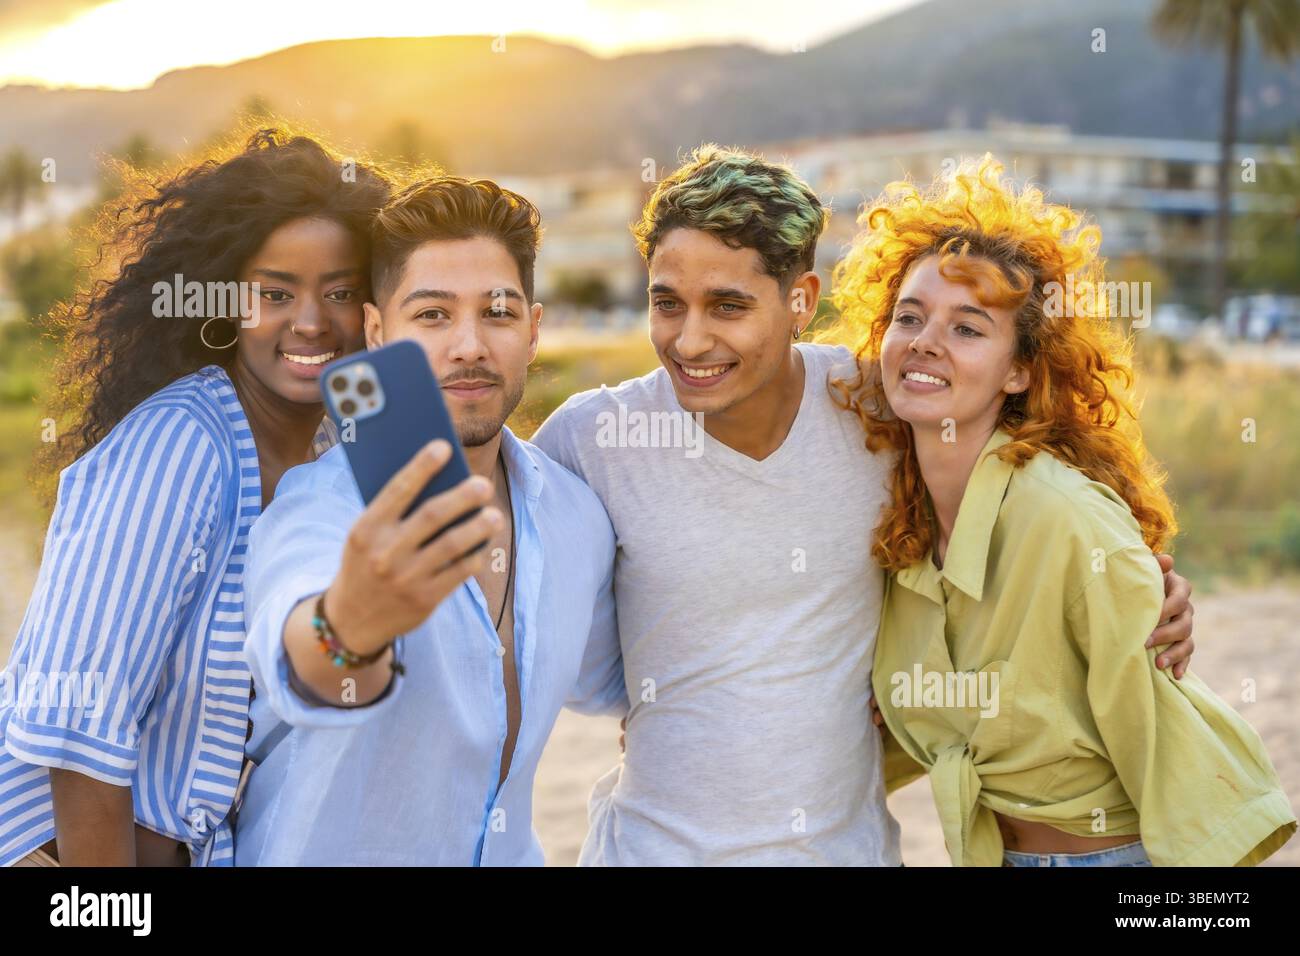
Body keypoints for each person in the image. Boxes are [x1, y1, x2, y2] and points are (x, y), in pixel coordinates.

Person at [530, 145, 1197, 865]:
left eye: (728, 305)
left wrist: (1149, 583)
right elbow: (546, 634)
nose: (690, 339)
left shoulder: (881, 407)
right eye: (667, 303)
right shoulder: (592, 437)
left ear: (801, 300)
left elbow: (1036, 471)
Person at [836, 156, 1296, 866]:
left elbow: (1175, 743)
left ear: (1020, 370)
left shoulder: (1064, 517)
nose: (926, 340)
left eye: (968, 328)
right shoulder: (898, 515)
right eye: (910, 316)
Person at [0, 127, 393, 866]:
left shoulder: (331, 454)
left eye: (341, 292)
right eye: (274, 293)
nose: (311, 322)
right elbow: (79, 725)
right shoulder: (182, 444)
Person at [234, 176, 627, 866]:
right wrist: (349, 624)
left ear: (533, 331)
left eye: (497, 314)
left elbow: (618, 682)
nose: (469, 345)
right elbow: (303, 658)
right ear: (379, 332)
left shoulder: (576, 516)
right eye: (434, 316)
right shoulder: (322, 507)